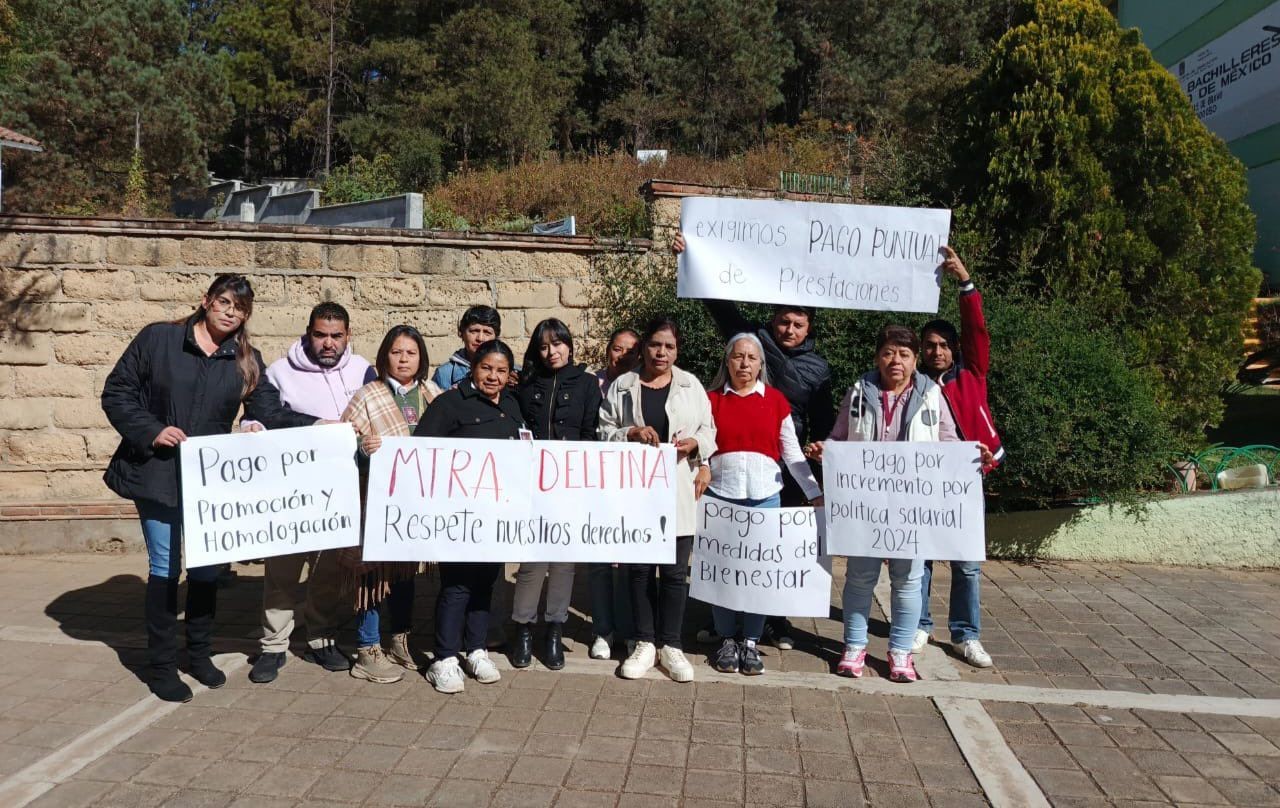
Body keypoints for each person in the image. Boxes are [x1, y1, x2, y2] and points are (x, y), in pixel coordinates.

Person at [101, 274, 319, 703]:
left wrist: (305, 426)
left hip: (211, 484)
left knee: (204, 571)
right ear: (206, 301)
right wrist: (152, 429)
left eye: (239, 308)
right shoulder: (158, 340)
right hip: (158, 473)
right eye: (223, 302)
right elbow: (117, 392)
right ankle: (161, 665)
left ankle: (199, 653)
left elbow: (266, 412)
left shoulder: (246, 360)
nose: (230, 312)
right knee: (166, 567)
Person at [806, 325, 993, 683]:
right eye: (889, 353)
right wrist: (823, 451)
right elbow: (839, 438)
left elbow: (949, 443)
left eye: (904, 354)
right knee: (860, 579)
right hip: (865, 509)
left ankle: (901, 652)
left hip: (912, 511)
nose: (896, 361)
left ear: (914, 360)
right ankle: (854, 647)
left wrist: (973, 456)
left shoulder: (932, 397)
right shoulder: (859, 392)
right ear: (878, 357)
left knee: (908, 580)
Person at [673, 232, 833, 650]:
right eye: (783, 321)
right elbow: (723, 310)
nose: (790, 329)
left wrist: (819, 483)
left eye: (799, 324)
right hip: (726, 482)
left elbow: (818, 425)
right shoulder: (740, 358)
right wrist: (691, 262)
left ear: (809, 328)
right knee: (726, 561)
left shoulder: (817, 369)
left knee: (770, 560)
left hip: (779, 472)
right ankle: (725, 629)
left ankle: (767, 626)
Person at [248, 302, 376, 684]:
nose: (328, 343)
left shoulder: (364, 370)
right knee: (283, 571)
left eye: (336, 336)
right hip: (293, 494)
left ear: (347, 336)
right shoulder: (278, 371)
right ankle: (273, 645)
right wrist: (311, 424)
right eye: (320, 335)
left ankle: (320, 637)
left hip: (342, 494)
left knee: (327, 572)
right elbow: (265, 414)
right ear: (309, 333)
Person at [599, 317, 716, 683]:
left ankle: (671, 644)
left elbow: (708, 428)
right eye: (655, 345)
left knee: (675, 572)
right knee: (638, 570)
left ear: (676, 350)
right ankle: (645, 642)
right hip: (636, 490)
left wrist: (697, 446)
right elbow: (603, 431)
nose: (661, 352)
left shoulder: (690, 385)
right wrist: (630, 432)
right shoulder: (623, 385)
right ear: (643, 348)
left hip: (677, 488)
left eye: (669, 346)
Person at [704, 333, 823, 676]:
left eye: (751, 358)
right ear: (727, 361)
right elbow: (700, 448)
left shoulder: (775, 402)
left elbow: (792, 453)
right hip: (720, 498)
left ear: (761, 364)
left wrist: (813, 492)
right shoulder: (711, 401)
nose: (744, 363)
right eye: (738, 356)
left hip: (765, 498)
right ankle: (727, 639)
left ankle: (752, 641)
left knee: (759, 574)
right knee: (722, 570)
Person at [417, 340, 527, 693]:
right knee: (457, 585)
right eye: (486, 368)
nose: (493, 376)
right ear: (473, 367)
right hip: (459, 515)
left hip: (497, 515)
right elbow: (421, 453)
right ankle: (444, 657)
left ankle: (476, 649)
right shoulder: (449, 404)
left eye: (501, 370)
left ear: (510, 375)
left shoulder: (512, 405)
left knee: (486, 583)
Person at [913, 247, 1003, 668]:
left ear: (955, 350)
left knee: (967, 565)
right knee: (922, 558)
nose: (937, 352)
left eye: (944, 345)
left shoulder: (971, 375)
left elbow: (977, 332)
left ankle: (966, 635)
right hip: (924, 481)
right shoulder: (908, 386)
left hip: (966, 479)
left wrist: (965, 284)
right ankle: (919, 624)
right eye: (929, 346)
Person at [340, 325, 443, 683]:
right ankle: (367, 648)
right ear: (385, 355)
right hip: (376, 498)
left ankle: (400, 637)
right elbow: (343, 440)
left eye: (411, 353)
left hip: (416, 501)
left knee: (403, 572)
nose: (403, 359)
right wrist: (362, 449)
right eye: (397, 352)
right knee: (372, 573)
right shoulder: (368, 395)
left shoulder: (432, 393)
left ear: (421, 358)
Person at [510, 318, 603, 670]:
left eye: (558, 344)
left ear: (569, 344)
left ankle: (554, 627)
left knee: (564, 561)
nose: (552, 352)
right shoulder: (527, 384)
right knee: (532, 560)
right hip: (533, 486)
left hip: (570, 485)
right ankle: (523, 626)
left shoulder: (587, 384)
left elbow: (591, 432)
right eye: (544, 346)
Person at [431, 305, 503, 389]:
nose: (480, 338)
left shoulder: (511, 374)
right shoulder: (444, 374)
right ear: (462, 333)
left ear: (496, 337)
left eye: (487, 332)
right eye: (474, 331)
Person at [595, 327, 640, 394]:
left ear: (638, 356)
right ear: (608, 351)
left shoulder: (643, 385)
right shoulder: (592, 381)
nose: (623, 356)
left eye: (630, 352)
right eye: (617, 350)